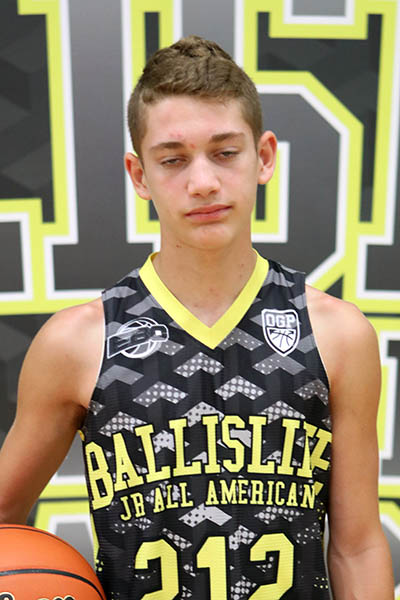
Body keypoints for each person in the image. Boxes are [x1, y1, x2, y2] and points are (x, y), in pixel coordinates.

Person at [0, 35, 394, 599]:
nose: (203, 182)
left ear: (264, 157)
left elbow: (356, 546)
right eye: (173, 159)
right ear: (140, 175)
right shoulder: (79, 342)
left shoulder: (336, 334)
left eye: (225, 152)